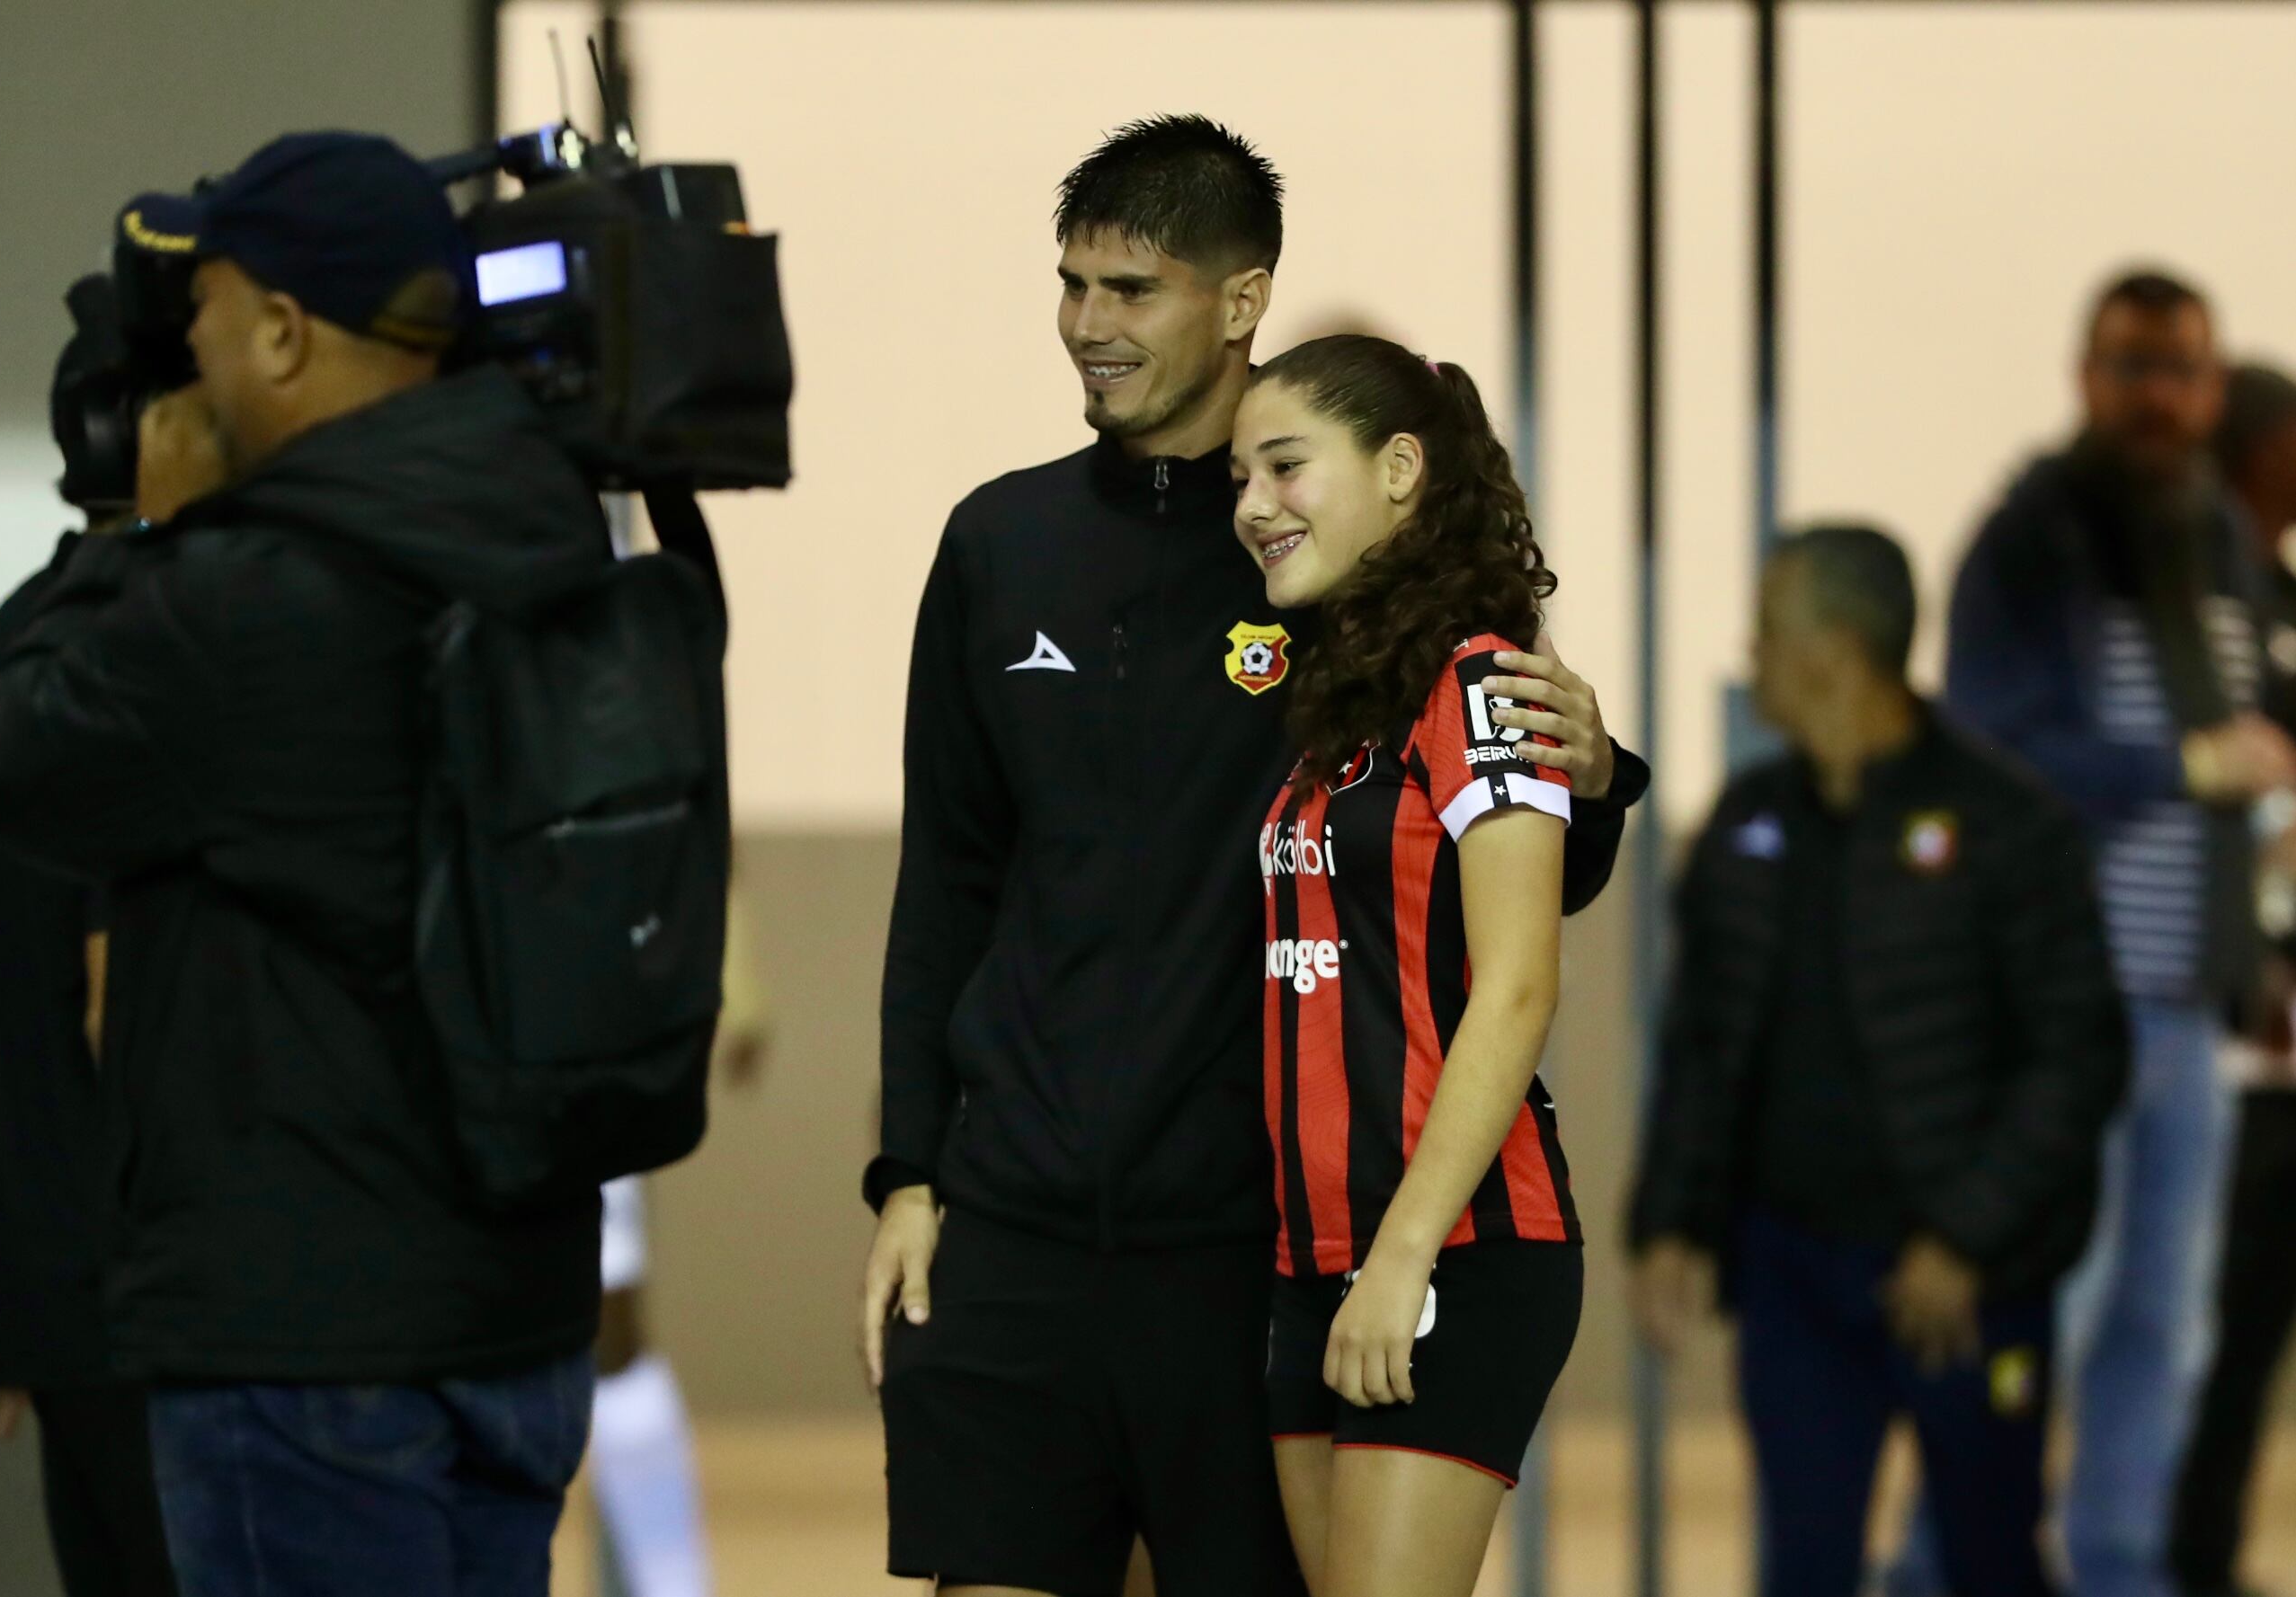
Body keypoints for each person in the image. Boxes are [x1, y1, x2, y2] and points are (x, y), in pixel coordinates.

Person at [859, 115, 1647, 1597]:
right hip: (1018, 1226)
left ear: (1237, 302)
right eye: (1072, 285)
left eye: (1130, 290)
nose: (1087, 325)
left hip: (1250, 1244)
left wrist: (1598, 781)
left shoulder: (1330, 559)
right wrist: (909, 1170)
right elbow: (947, 880)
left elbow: (1496, 897)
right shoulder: (999, 543)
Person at [0, 133, 612, 1597]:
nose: (183, 353)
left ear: (283, 331)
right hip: (518, 1315)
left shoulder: (248, 597)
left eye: (204, 314)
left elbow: (3, 745)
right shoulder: (548, 531)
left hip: (310, 1351)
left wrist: (138, 534)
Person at [1633, 525, 2127, 1597]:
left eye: (1767, 627)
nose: (1749, 652)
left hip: (1965, 1290)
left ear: (1833, 650)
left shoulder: (2008, 827)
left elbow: (2078, 1057)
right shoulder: (1748, 824)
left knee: (1991, 1557)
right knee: (1802, 1566)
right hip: (1794, 1274)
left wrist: (1965, 1237)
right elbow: (1702, 1043)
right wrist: (1669, 1220)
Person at [1940, 270, 2294, 1597]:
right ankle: (1953, 1566)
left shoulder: (2217, 548)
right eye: (2132, 366)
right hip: (2058, 1015)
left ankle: (2121, 1573)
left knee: (2163, 1332)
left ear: (2212, 390)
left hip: (2189, 1014)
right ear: (2085, 376)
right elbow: (1993, 750)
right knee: (2038, 1317)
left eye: (2182, 370)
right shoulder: (2029, 540)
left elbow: (2257, 743)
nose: (2157, 396)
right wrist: (2185, 769)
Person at [1230, 337, 1581, 1597]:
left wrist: (1403, 1254)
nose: (1252, 505)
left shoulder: (1483, 682)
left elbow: (1519, 987)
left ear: (1396, 469)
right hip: (1309, 1258)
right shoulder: (1327, 703)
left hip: (1453, 1251)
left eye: (1284, 466)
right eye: (1238, 477)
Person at [0, 308, 179, 1597]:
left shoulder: (1, 654)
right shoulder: (156, 655)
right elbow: (110, 1004)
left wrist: (2, 1249)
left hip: (51, 1292)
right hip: (162, 1306)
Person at [2167, 360, 2296, 1597]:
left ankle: (2195, 1556)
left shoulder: (2275, 602)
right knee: (2179, 1335)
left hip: (2271, 1050)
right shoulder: (2187, 606)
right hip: (2208, 1043)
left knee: (2240, 1343)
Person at [569, 885, 772, 1597]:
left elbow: (690, 812)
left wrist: (735, 976)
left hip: (581, 1035)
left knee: (612, 1330)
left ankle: (670, 1583)